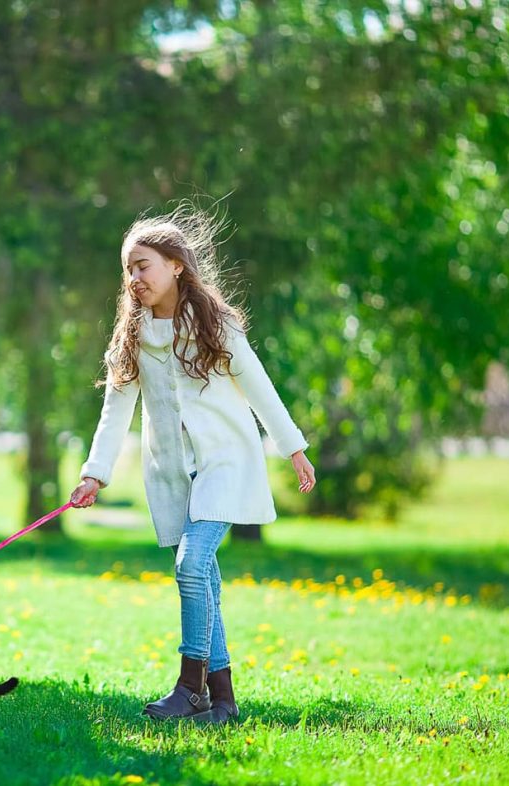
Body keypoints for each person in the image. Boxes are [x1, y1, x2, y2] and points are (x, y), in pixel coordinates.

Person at [69, 205, 316, 725]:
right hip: (175, 474)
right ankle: (223, 704)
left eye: (143, 265)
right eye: (128, 270)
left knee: (190, 566)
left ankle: (190, 687)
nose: (134, 278)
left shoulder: (212, 324)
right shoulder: (133, 336)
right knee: (204, 580)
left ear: (176, 265)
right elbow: (116, 411)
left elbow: (258, 386)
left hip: (225, 462)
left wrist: (293, 447)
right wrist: (95, 473)